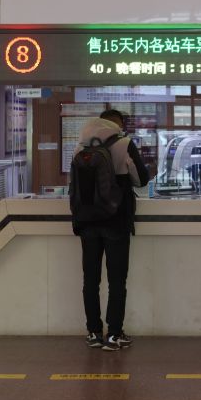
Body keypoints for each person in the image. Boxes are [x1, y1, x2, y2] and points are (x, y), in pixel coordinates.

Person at [74, 109, 149, 351]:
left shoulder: (80, 147)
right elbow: (142, 179)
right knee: (117, 281)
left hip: (87, 221)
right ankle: (114, 334)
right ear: (118, 125)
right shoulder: (124, 144)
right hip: (116, 221)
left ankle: (93, 333)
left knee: (90, 280)